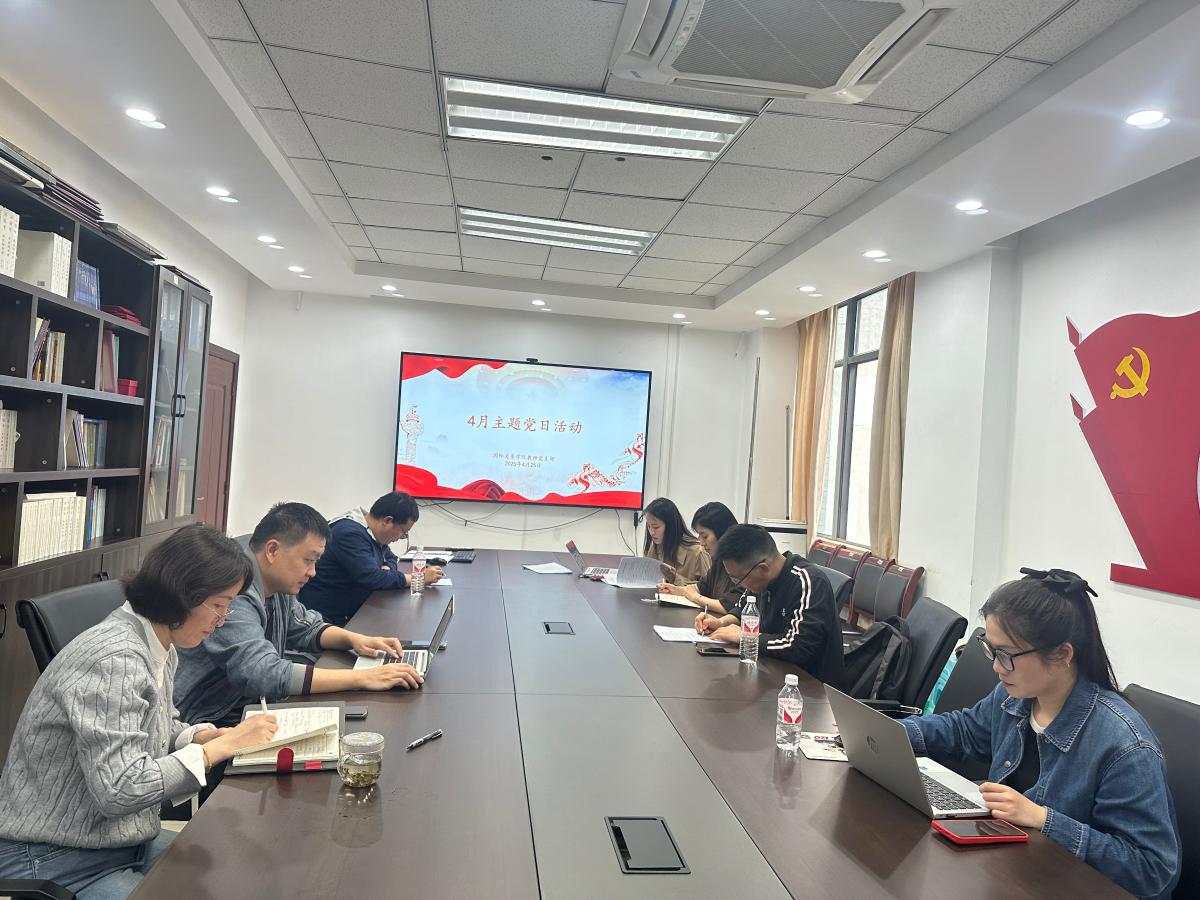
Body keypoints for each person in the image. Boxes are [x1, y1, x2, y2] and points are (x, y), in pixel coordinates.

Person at [0, 525, 280, 899]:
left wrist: (197, 736)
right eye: (219, 604)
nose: (223, 618)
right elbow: (120, 788)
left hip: (115, 840)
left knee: (236, 874)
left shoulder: (157, 643)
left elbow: (147, 724)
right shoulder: (115, 659)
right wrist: (214, 751)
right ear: (183, 595)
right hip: (54, 857)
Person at [899, 568, 1180, 899]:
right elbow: (963, 730)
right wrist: (891, 732)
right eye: (991, 649)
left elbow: (1152, 871)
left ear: (1062, 655)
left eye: (1007, 655)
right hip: (1016, 873)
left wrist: (1043, 819)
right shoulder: (1015, 696)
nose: (996, 667)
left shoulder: (1125, 745)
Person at [175, 502, 424, 731]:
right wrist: (363, 677)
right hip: (210, 716)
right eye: (308, 560)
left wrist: (356, 640)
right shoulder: (234, 589)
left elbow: (304, 625)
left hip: (244, 702)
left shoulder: (273, 579)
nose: (313, 572)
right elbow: (263, 673)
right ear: (273, 550)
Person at [694, 524, 846, 689]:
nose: (738, 584)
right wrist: (721, 622)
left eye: (737, 579)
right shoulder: (759, 579)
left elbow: (797, 647)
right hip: (772, 674)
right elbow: (743, 607)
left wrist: (745, 637)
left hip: (811, 689)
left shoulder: (808, 581)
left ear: (763, 569)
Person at [299, 491, 445, 626]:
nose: (401, 537)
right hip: (330, 620)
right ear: (388, 521)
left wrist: (386, 569)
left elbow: (390, 557)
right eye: (403, 532)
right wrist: (418, 578)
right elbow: (371, 578)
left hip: (354, 611)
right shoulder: (349, 534)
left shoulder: (371, 532)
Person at [656, 501, 743, 613]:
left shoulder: (741, 564)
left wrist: (695, 597)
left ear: (722, 533)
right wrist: (675, 590)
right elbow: (701, 587)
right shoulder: (719, 560)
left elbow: (729, 607)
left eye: (705, 536)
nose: (701, 543)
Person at [642, 496, 710, 586]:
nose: (651, 532)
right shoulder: (656, 547)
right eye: (648, 526)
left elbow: (707, 589)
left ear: (671, 526)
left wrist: (675, 579)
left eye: (656, 527)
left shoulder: (697, 552)